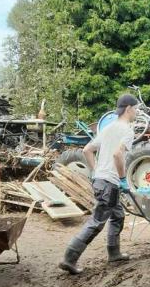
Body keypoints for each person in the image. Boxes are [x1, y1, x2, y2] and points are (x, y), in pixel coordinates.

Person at [59, 93, 139, 275]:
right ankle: (69, 258)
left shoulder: (108, 127)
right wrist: (122, 178)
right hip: (110, 183)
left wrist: (96, 171)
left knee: (117, 214)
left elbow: (87, 150)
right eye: (135, 109)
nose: (136, 113)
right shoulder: (127, 130)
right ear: (128, 109)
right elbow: (118, 155)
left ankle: (114, 253)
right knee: (97, 221)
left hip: (101, 180)